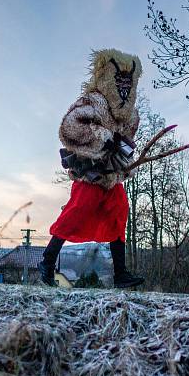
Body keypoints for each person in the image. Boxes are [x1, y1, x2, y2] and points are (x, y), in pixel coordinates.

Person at [38, 49, 145, 288]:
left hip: (111, 176)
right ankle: (46, 262)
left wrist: (124, 158)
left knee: (120, 211)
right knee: (77, 212)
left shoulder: (129, 115)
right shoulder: (92, 102)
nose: (124, 86)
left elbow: (125, 141)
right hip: (89, 175)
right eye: (120, 80)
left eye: (129, 81)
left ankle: (120, 275)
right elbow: (69, 127)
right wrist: (104, 138)